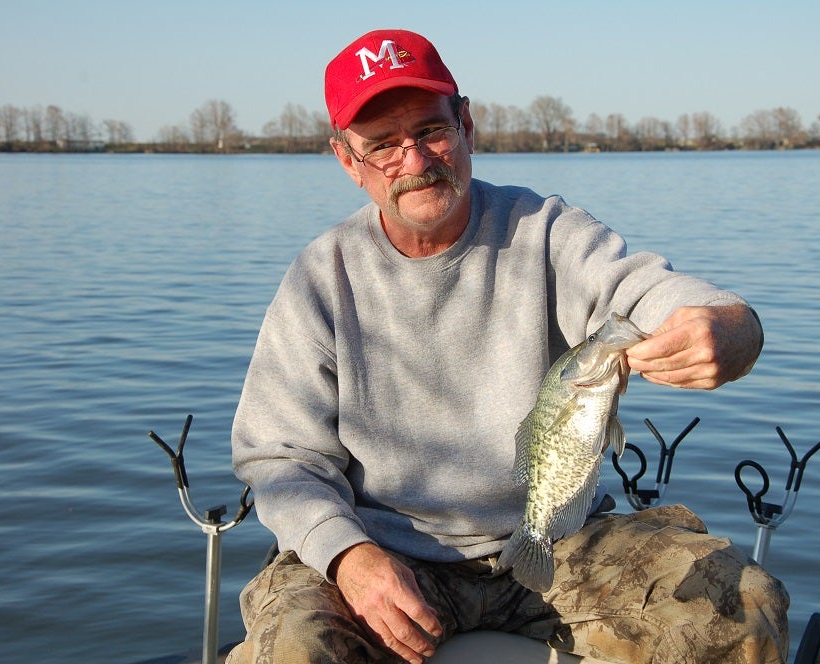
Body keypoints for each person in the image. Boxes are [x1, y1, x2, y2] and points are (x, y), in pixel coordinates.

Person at [228, 28, 788, 664]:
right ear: (347, 161)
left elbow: (649, 292)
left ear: (466, 124)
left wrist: (730, 328)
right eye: (384, 145)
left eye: (431, 131)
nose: (414, 162)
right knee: (297, 650)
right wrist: (348, 555)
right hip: (384, 552)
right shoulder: (320, 279)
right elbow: (278, 458)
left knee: (746, 609)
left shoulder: (545, 232)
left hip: (560, 534)